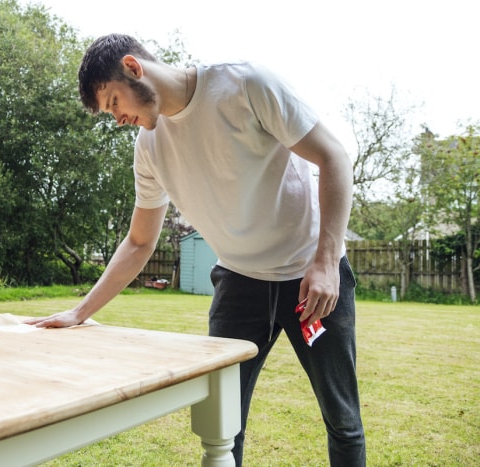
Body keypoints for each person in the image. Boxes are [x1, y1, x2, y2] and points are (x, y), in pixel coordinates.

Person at [25, 34, 366, 466]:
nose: (118, 119)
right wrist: (81, 311)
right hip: (239, 285)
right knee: (223, 424)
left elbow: (333, 157)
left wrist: (325, 262)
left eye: (113, 103)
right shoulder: (149, 148)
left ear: (133, 68)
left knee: (342, 420)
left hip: (310, 279)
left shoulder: (246, 85)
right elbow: (139, 241)